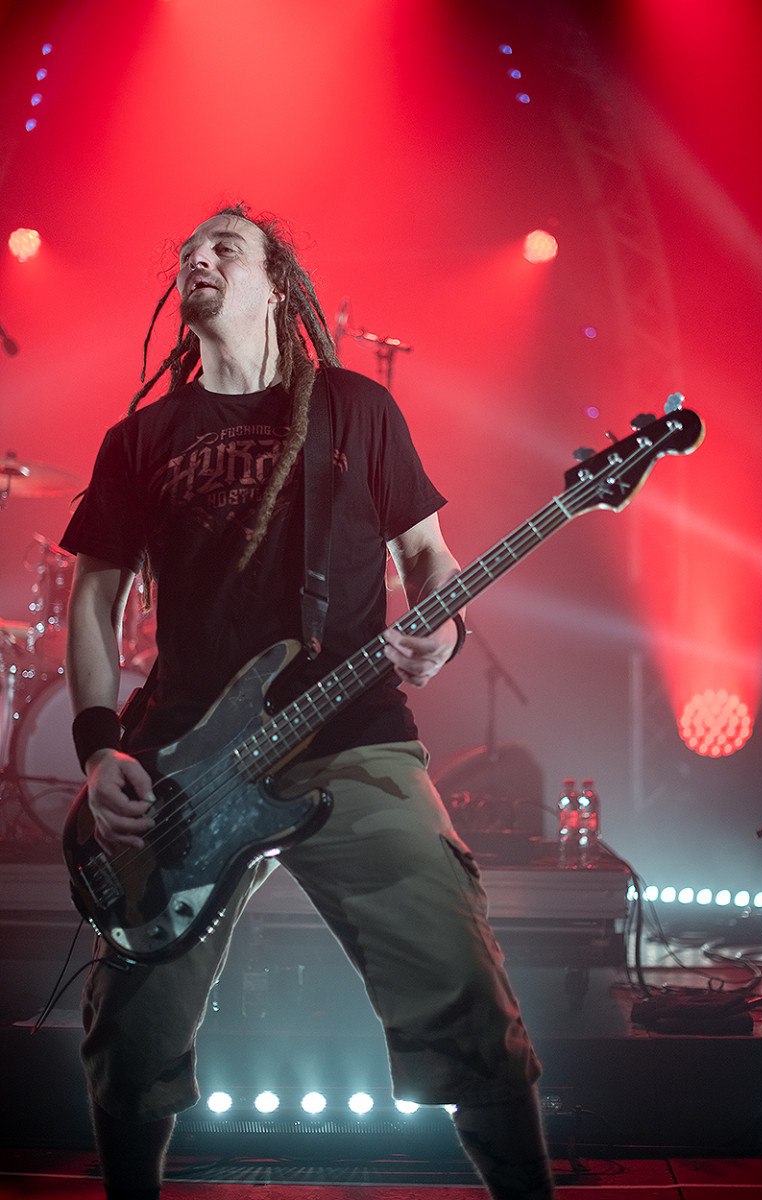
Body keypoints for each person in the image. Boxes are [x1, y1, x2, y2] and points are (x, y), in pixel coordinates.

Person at [61, 203, 555, 1200]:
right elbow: (94, 599)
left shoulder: (354, 410)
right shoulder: (141, 437)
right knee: (132, 1025)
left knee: (460, 984)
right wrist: (100, 746)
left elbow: (429, 560)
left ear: (277, 285)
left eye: (223, 247)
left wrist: (444, 635)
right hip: (183, 755)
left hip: (353, 736)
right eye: (187, 251)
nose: (197, 258)